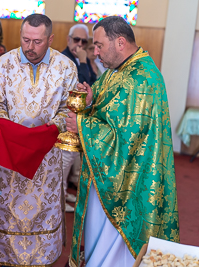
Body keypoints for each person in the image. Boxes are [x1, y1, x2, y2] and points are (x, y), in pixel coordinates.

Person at [65, 16, 179, 267]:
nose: (95, 52)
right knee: (98, 240)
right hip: (108, 174)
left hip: (128, 183)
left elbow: (127, 138)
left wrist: (82, 124)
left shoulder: (141, 78)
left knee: (115, 249)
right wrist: (92, 99)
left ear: (119, 42)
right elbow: (110, 111)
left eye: (99, 46)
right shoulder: (121, 70)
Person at [0, 14, 78, 266]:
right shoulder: (2, 64)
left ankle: (43, 257)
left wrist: (51, 128)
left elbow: (68, 108)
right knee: (9, 210)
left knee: (43, 210)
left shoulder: (66, 67)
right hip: (10, 156)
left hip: (46, 158)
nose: (30, 47)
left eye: (37, 42)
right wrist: (3, 128)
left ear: (50, 39)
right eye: (25, 40)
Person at [61, 24, 92, 213]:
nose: (79, 44)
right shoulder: (64, 59)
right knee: (63, 163)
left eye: (84, 41)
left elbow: (92, 85)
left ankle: (64, 193)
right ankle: (60, 198)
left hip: (78, 120)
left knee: (71, 159)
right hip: (65, 118)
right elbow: (81, 86)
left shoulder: (79, 58)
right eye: (76, 40)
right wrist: (84, 61)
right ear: (68, 39)